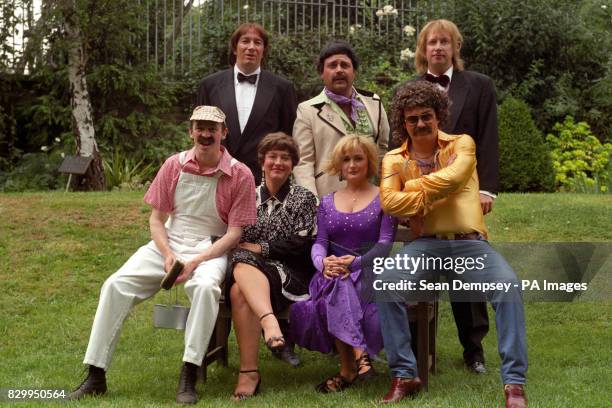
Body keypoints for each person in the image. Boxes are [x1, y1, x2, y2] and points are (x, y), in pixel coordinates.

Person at [68, 106, 257, 404]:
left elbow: (234, 234)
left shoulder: (239, 173)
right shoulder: (174, 165)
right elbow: (157, 220)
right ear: (190, 131)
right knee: (115, 285)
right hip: (169, 243)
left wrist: (196, 261)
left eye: (212, 128)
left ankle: (189, 373)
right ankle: (95, 374)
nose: (205, 134)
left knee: (205, 288)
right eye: (200, 128)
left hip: (211, 247)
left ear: (224, 133)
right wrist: (168, 254)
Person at [376, 81, 527, 407]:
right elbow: (388, 203)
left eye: (426, 116)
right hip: (424, 246)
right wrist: (427, 197)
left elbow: (455, 178)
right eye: (412, 118)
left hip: (470, 245)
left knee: (508, 286)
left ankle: (514, 383)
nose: (419, 124)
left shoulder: (462, 145)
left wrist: (412, 190)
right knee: (386, 282)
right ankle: (405, 374)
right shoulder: (393, 159)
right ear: (403, 121)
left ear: (439, 116)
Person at [412, 19, 500, 373]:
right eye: (432, 42)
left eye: (444, 42)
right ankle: (421, 348)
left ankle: (473, 350)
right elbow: (398, 146)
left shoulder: (478, 86)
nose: (437, 47)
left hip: (465, 193)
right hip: (422, 194)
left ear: (455, 48)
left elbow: (488, 138)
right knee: (420, 269)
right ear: (423, 49)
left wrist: (486, 188)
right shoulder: (410, 88)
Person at [291, 136, 397, 393]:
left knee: (342, 284)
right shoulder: (326, 202)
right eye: (346, 159)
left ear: (369, 161)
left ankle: (348, 369)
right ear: (338, 165)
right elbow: (320, 242)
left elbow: (385, 244)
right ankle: (361, 359)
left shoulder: (385, 198)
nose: (351, 164)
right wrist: (322, 262)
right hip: (331, 273)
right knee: (338, 280)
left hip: (370, 272)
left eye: (358, 158)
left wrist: (357, 261)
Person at [226, 132, 318, 400]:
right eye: (273, 156)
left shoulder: (304, 198)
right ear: (262, 161)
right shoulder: (247, 195)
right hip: (250, 272)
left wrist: (261, 248)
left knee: (238, 288)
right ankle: (270, 326)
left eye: (285, 158)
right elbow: (235, 236)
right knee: (241, 276)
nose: (278, 162)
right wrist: (251, 250)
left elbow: (302, 243)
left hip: (290, 274)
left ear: (293, 164)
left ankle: (248, 373)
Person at [196, 22, 297, 186]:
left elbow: (289, 136)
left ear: (264, 50)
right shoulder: (209, 86)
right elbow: (200, 130)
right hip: (217, 175)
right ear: (235, 48)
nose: (251, 47)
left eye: (257, 42)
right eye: (245, 41)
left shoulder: (283, 88)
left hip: (264, 181)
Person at [293, 41, 390, 197]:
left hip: (371, 199)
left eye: (345, 65)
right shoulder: (307, 111)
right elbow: (303, 163)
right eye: (332, 66)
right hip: (328, 200)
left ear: (354, 72)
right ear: (322, 73)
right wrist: (313, 204)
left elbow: (383, 151)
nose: (339, 70)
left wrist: (386, 191)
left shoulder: (374, 103)